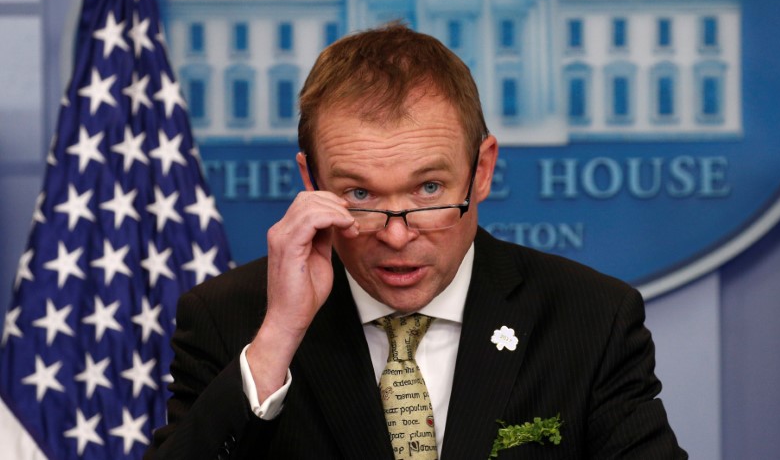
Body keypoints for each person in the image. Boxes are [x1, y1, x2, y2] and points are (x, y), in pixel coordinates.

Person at [146, 24, 686, 459]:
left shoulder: (590, 319)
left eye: (429, 188)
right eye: (359, 193)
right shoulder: (230, 320)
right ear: (312, 184)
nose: (398, 234)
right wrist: (279, 338)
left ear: (481, 171)